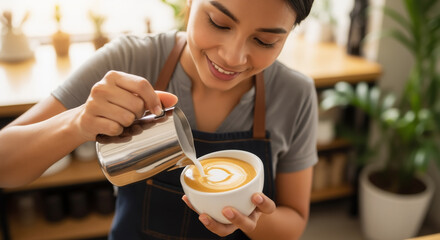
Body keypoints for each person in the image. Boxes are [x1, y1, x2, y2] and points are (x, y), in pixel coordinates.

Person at [0, 0, 317, 239]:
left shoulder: (295, 94)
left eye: (264, 41)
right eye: (219, 23)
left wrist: (252, 220)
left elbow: (294, 222)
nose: (232, 57)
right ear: (189, 3)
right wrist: (77, 123)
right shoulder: (130, 60)